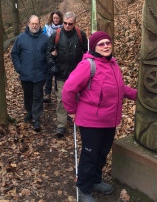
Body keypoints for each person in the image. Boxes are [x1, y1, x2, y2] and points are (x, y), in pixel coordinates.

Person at [62, 31, 137, 202]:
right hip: (91, 122)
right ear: (94, 47)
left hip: (110, 120)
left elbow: (120, 88)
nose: (105, 46)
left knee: (102, 154)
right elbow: (68, 89)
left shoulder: (113, 64)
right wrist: (72, 111)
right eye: (101, 44)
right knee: (90, 155)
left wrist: (136, 95)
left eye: (107, 43)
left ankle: (95, 181)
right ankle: (83, 188)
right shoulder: (88, 65)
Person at [46, 11, 88, 137]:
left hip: (77, 74)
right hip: (61, 73)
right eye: (65, 23)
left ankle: (79, 120)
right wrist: (52, 65)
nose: (67, 26)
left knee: (79, 97)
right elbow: (48, 52)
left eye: (70, 24)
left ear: (75, 23)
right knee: (61, 99)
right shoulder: (55, 35)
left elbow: (87, 53)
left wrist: (86, 67)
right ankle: (61, 125)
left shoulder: (81, 35)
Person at [11, 15, 48, 132]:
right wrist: (19, 68)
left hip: (40, 74)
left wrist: (47, 67)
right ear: (28, 24)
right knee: (28, 95)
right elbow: (14, 54)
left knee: (37, 95)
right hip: (25, 74)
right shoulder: (21, 38)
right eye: (32, 23)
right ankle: (30, 112)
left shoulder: (45, 38)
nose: (34, 26)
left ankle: (36, 118)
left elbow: (49, 54)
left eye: (36, 24)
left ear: (39, 24)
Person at [42, 10, 63, 103]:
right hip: (49, 53)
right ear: (52, 18)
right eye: (54, 18)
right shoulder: (47, 27)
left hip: (60, 54)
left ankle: (58, 93)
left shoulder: (64, 27)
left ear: (60, 19)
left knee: (58, 73)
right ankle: (48, 94)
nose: (56, 20)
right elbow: (43, 39)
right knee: (49, 74)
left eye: (57, 18)